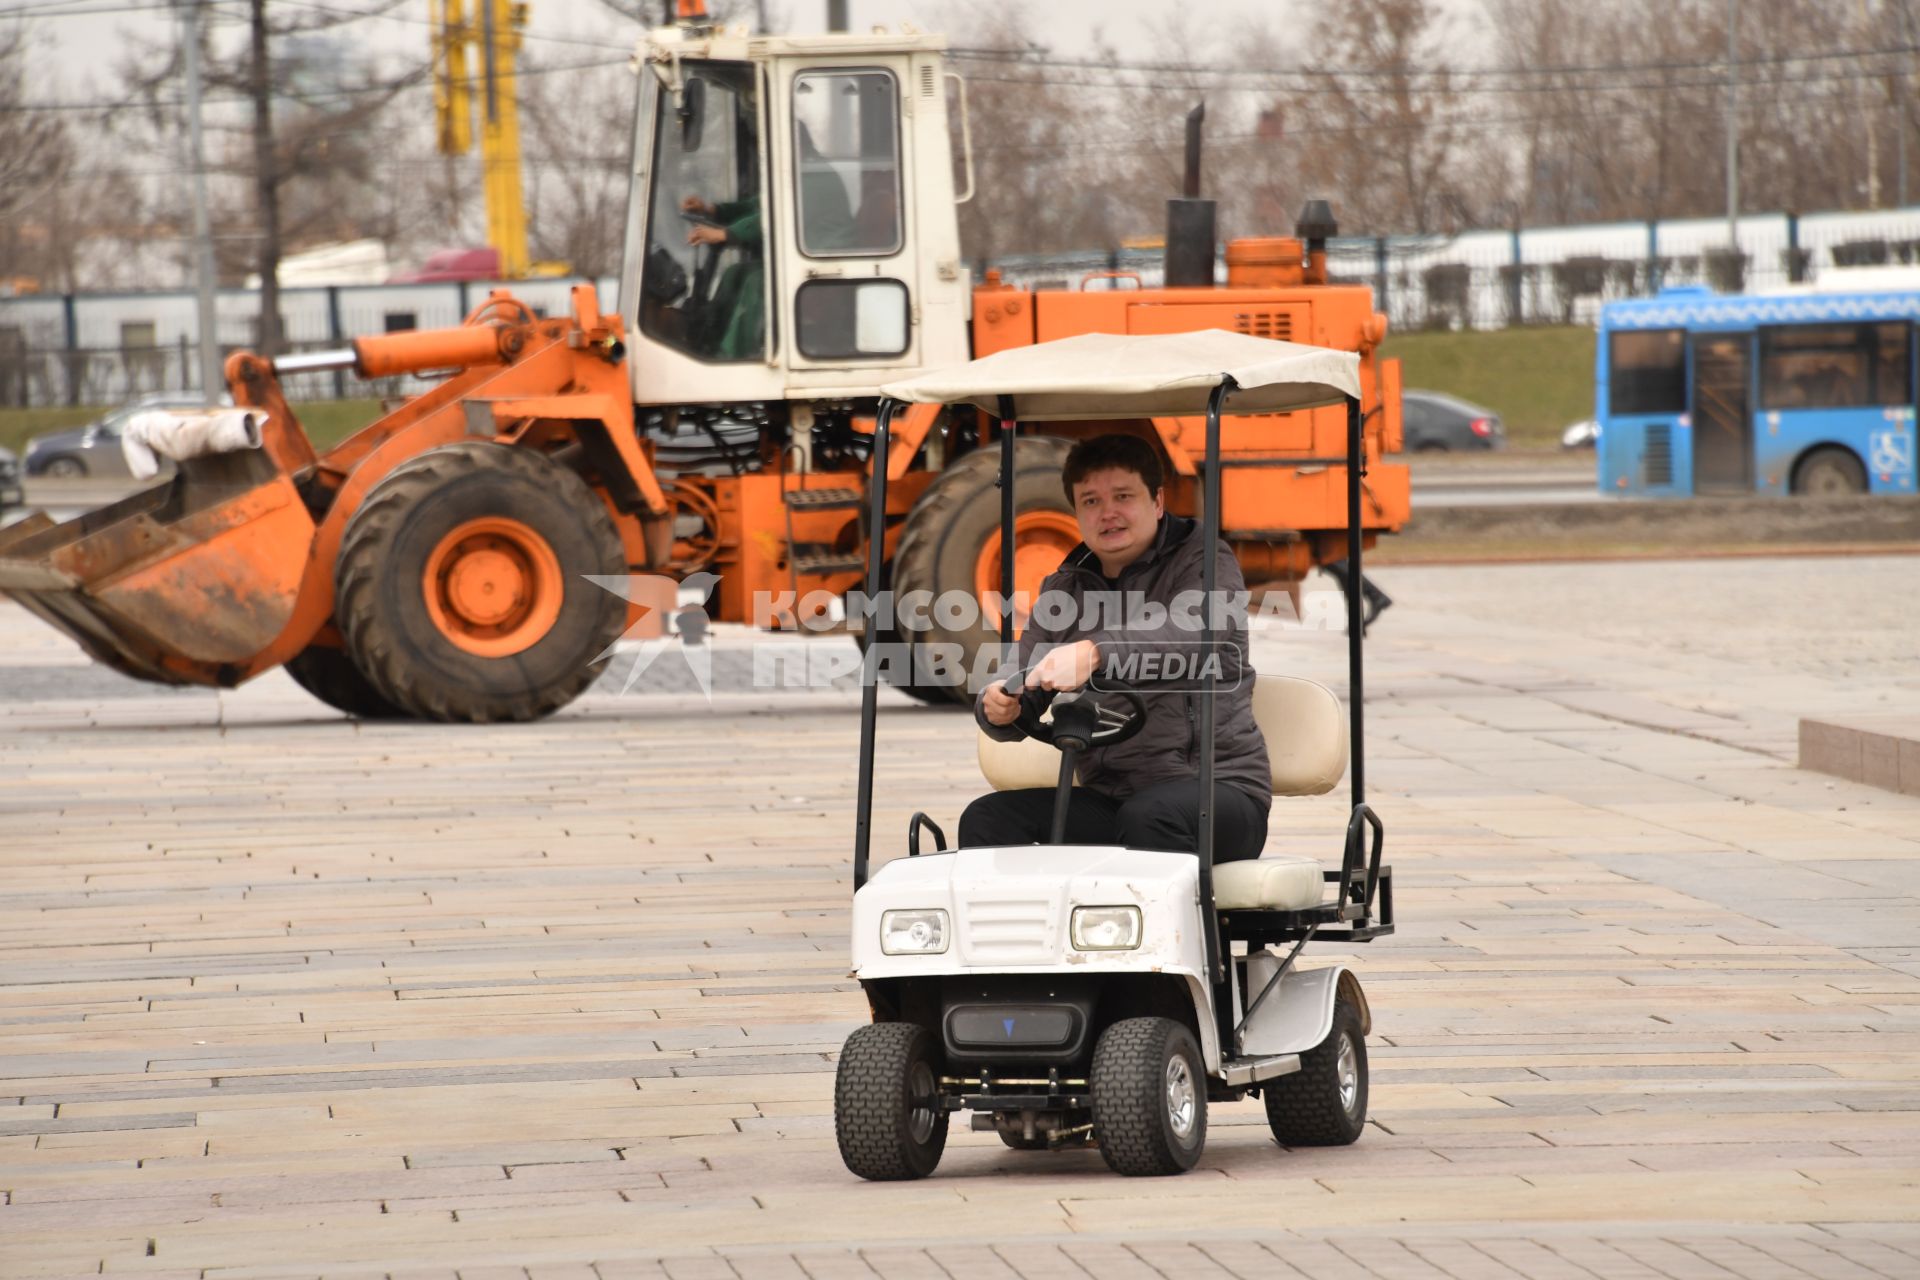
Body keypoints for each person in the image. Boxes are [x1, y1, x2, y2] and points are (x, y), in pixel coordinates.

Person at [958, 434, 1272, 861]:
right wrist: (1000, 707)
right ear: (1076, 513)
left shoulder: (1205, 561)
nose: (1107, 513)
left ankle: (1172, 929)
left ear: (1157, 501)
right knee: (987, 819)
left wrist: (1095, 652)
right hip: (1115, 797)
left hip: (1218, 792)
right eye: (1090, 501)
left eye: (1123, 496)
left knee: (1150, 817)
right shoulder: (1063, 590)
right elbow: (1020, 676)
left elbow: (1195, 631)